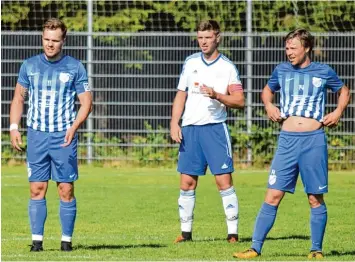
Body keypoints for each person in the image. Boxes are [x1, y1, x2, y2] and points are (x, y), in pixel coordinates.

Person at [233, 29, 350, 259]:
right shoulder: (281, 70)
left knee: (314, 197)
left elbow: (344, 91)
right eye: (287, 48)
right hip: (287, 142)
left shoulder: (323, 71)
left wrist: (337, 112)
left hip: (313, 141)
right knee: (272, 195)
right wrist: (269, 106)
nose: (289, 52)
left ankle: (316, 249)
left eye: (293, 48)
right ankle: (255, 248)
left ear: (306, 48)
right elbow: (266, 91)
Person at [9, 18, 93, 252]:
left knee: (65, 189)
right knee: (37, 188)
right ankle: (37, 243)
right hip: (36, 136)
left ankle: (66, 242)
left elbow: (86, 103)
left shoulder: (75, 67)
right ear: (42, 38)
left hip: (63, 137)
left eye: (55, 41)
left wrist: (74, 127)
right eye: (46, 39)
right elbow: (18, 98)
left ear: (63, 41)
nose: (50, 44)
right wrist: (14, 127)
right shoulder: (29, 66)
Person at [170, 20, 245, 244]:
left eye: (207, 37)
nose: (203, 41)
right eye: (200, 37)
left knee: (223, 181)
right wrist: (175, 122)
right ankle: (185, 234)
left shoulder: (227, 67)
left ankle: (232, 233)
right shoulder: (190, 61)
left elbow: (240, 100)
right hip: (190, 130)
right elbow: (181, 94)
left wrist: (217, 95)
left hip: (214, 130)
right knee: (187, 183)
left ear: (217, 38)